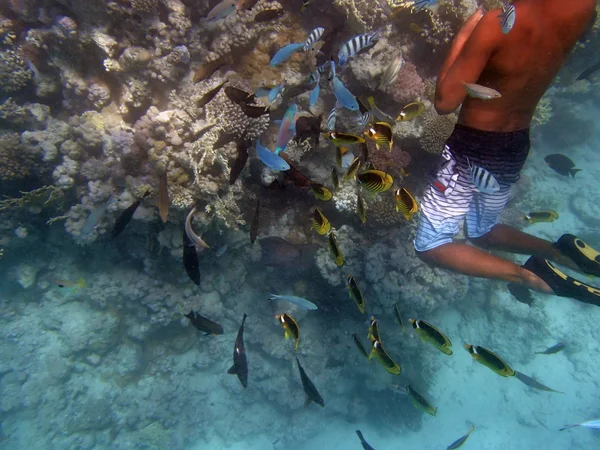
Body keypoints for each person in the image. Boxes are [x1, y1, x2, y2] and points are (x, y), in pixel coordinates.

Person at [414, 0, 600, 305]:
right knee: (481, 230)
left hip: (471, 149)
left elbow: (445, 102)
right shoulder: (581, 7)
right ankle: (564, 254)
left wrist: (465, 35)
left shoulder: (495, 23)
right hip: (514, 145)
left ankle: (533, 277)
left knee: (430, 246)